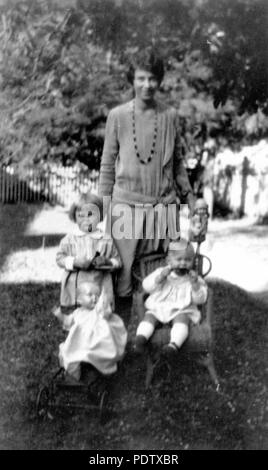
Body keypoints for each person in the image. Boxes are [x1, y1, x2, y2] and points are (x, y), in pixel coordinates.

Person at [98, 48, 195, 326]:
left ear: (160, 80)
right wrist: (99, 212)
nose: (147, 84)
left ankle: (158, 337)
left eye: (152, 78)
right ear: (133, 79)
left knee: (166, 274)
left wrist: (191, 199)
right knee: (122, 276)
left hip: (163, 209)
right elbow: (107, 166)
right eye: (141, 78)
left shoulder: (170, 116)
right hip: (125, 209)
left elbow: (177, 164)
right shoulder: (117, 116)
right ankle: (118, 338)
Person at [134, 238, 208, 358]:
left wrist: (195, 285)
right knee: (149, 317)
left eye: (188, 260)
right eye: (179, 259)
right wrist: (159, 278)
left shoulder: (194, 279)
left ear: (193, 262)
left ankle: (173, 346)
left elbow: (201, 299)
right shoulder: (162, 273)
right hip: (159, 307)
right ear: (169, 261)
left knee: (182, 319)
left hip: (181, 309)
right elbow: (146, 286)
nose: (183, 263)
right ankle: (141, 339)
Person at [56, 192, 121, 312]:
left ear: (100, 216)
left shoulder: (105, 239)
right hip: (75, 288)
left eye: (90, 215)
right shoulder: (70, 239)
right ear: (74, 217)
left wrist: (107, 262)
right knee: (78, 318)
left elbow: (117, 261)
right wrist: (74, 262)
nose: (86, 219)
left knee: (100, 318)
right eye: (81, 215)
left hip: (100, 286)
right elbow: (60, 258)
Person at [53, 280, 127, 380]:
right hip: (79, 344)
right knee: (70, 355)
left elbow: (104, 308)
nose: (94, 298)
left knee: (88, 355)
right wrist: (60, 315)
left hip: (96, 346)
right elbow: (68, 322)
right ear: (79, 300)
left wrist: (103, 296)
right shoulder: (78, 313)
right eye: (90, 295)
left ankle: (95, 373)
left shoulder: (98, 312)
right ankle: (73, 378)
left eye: (97, 295)